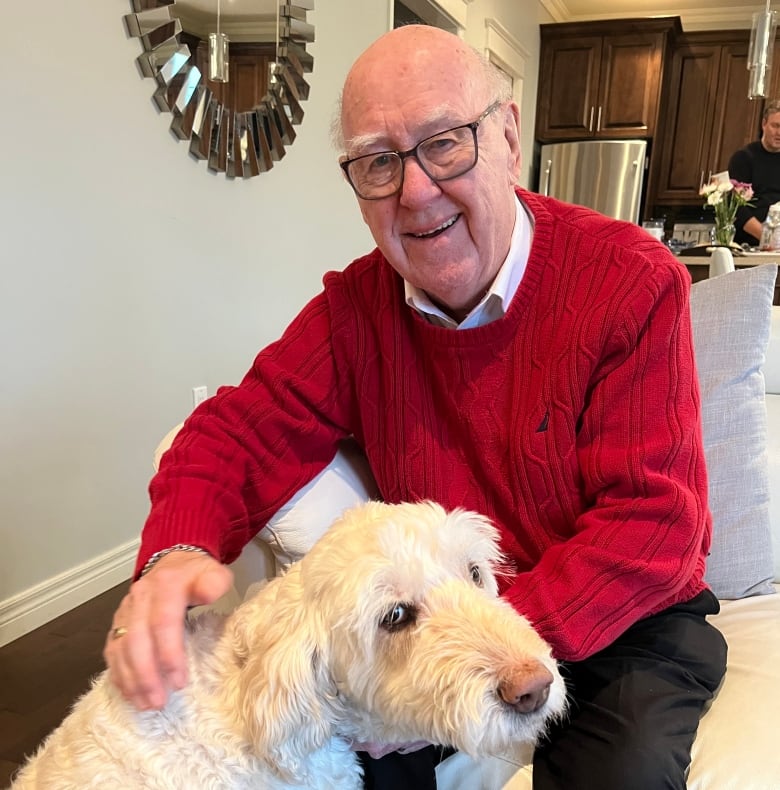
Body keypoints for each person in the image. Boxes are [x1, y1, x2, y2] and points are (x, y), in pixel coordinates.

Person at [104, 24, 727, 790]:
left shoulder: (632, 281)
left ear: (506, 134)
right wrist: (171, 558)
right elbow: (234, 434)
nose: (417, 190)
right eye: (379, 162)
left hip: (629, 622)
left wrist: (485, 642)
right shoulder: (353, 313)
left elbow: (655, 527)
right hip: (434, 620)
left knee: (620, 775)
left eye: (445, 143)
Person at [728, 100, 780, 245]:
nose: (779, 133)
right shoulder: (744, 158)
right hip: (749, 245)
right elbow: (737, 208)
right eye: (776, 126)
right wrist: (767, 239)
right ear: (764, 124)